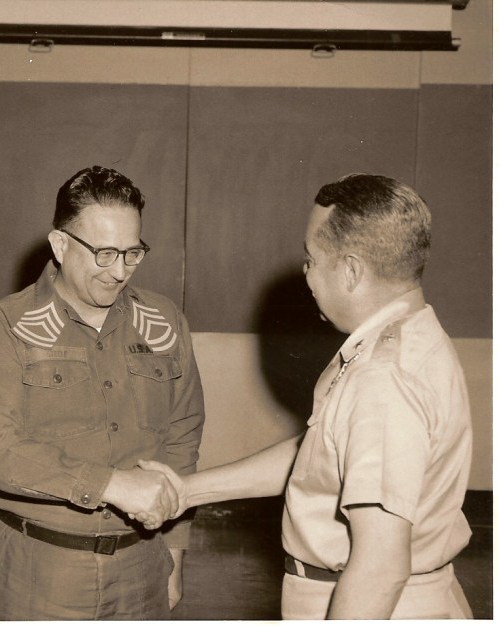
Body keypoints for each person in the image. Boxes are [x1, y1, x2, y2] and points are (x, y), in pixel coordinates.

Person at [142, 173, 473, 619]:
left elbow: (380, 565)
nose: (306, 274)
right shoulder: (413, 337)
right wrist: (186, 490)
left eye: (311, 259)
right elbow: (322, 457)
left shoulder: (382, 379)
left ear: (352, 270)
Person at [0, 165, 205, 620]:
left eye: (133, 254)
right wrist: (111, 485)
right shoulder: (6, 327)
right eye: (105, 253)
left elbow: (182, 434)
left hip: (142, 564)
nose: (119, 273)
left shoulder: (164, 322)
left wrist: (176, 549)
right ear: (60, 245)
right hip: (38, 568)